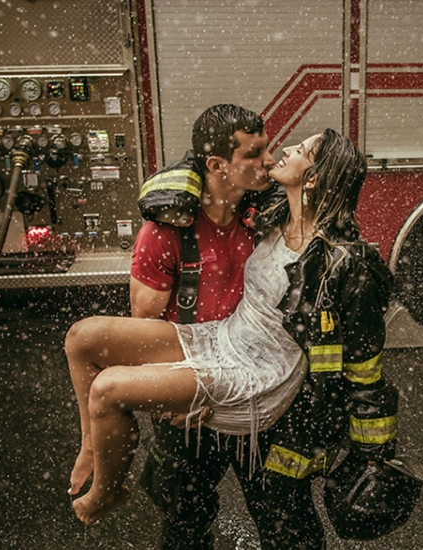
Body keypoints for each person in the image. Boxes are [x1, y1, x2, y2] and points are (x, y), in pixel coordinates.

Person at [65, 130, 398, 541]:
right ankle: (91, 447)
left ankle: (106, 492)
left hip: (262, 374)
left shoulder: (348, 264)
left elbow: (367, 370)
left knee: (108, 389)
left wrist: (372, 457)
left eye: (302, 150)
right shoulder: (273, 211)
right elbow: (209, 167)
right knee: (83, 337)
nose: (285, 149)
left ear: (312, 179)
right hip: (225, 336)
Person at [128, 104, 289, 549]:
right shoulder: (164, 232)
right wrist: (168, 397)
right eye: (255, 153)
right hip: (192, 403)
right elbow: (143, 329)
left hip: (257, 395)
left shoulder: (268, 220)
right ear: (218, 164)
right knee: (184, 521)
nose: (269, 161)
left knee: (282, 519)